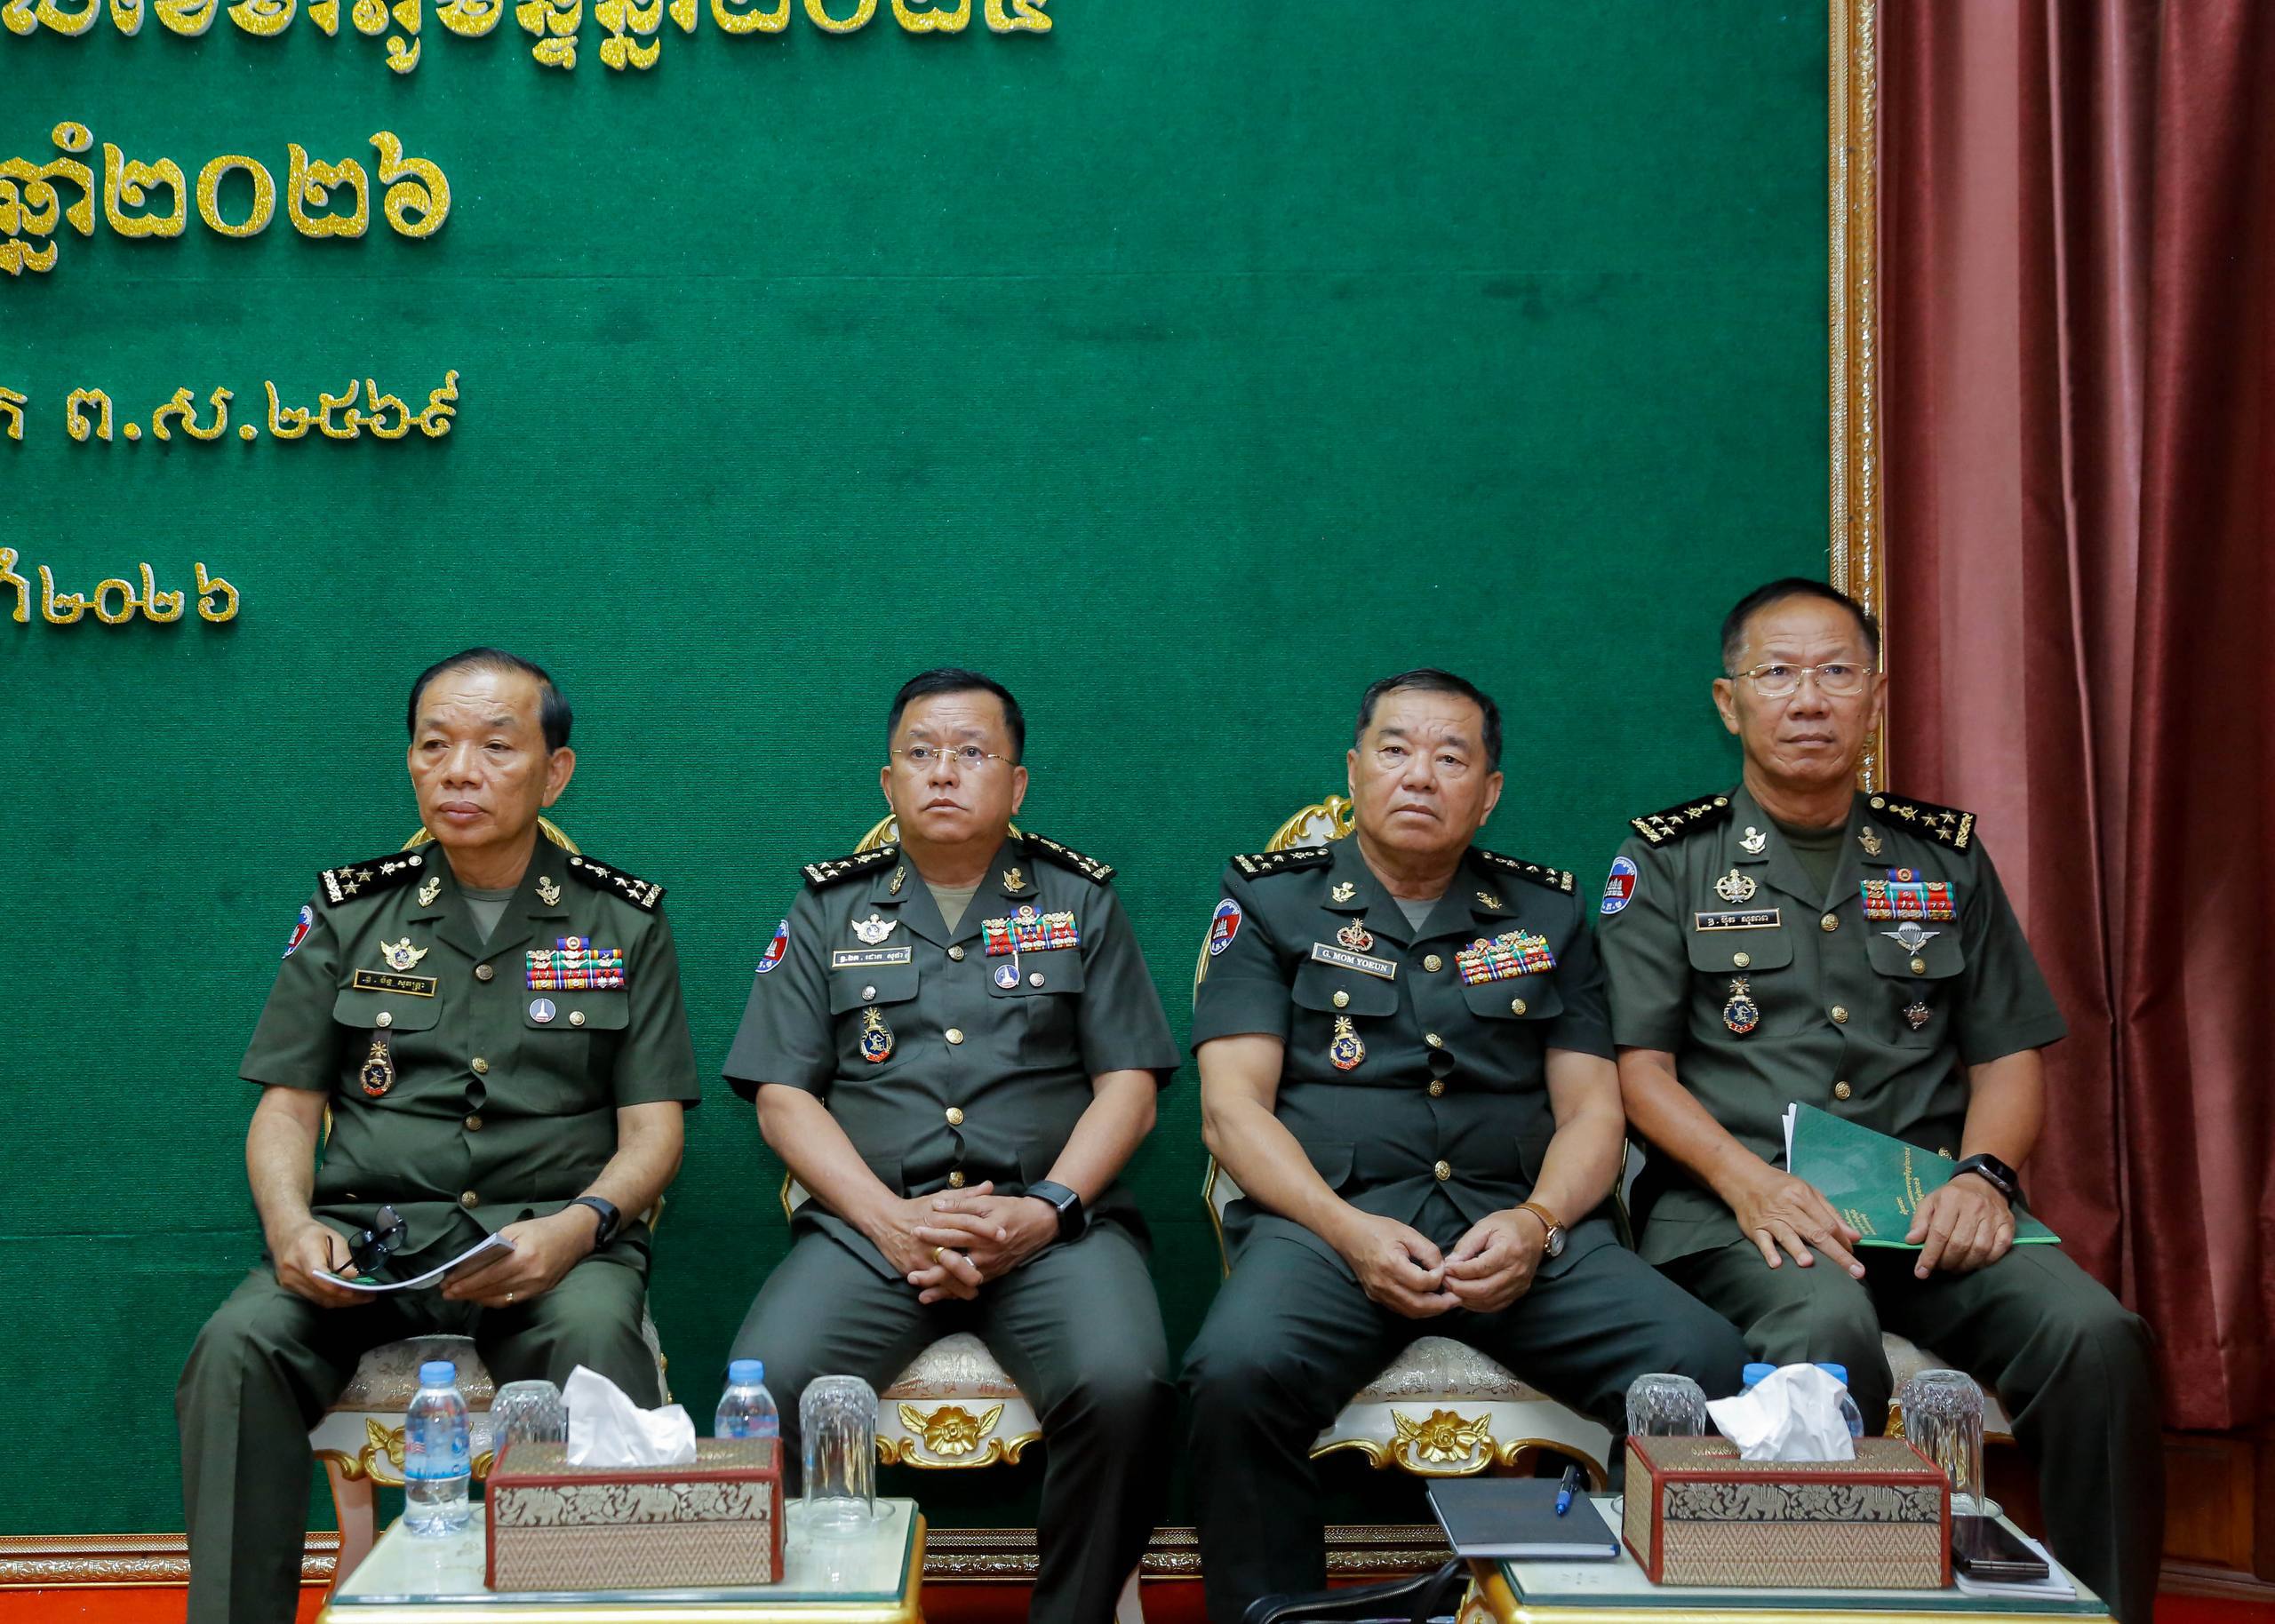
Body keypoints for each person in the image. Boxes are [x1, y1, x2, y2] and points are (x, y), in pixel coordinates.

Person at [1598, 578, 2162, 1623]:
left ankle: (2113, 1611)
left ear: (1875, 695)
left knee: (2096, 1336)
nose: (1807, 698)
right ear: (1729, 701)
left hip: (1927, 1209)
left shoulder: (1940, 855)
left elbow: (2006, 1057)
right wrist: (1748, 1183)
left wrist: (1984, 1178)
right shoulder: (1669, 860)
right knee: (1827, 1326)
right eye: (1777, 674)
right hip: (1742, 1213)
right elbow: (1638, 1069)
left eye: (1834, 672)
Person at [1181, 667, 1749, 1623]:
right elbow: (1229, 1112)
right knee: (1234, 1372)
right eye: (1395, 750)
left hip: (1517, 1230)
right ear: (1354, 770)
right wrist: (1347, 1230)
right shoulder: (1273, 902)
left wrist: (1538, 1223)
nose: (1419, 775)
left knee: (1703, 1359)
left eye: (1451, 757)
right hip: (1329, 1229)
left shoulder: (1546, 912)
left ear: (1488, 793)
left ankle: (1626, 1610)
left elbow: (1593, 1113)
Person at [177, 648, 699, 1624]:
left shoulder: (620, 920)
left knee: (595, 1336)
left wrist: (578, 1228)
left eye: (496, 747)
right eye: (434, 745)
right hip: (370, 1245)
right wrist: (291, 1227)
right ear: (411, 762)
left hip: (549, 1242)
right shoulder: (351, 911)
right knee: (237, 1347)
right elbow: (286, 1108)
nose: (460, 771)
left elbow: (653, 1131)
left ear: (554, 771)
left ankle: (604, 1607)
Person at [722, 667, 1178, 1624]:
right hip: (871, 1229)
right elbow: (781, 1097)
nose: (943, 772)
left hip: (1053, 1226)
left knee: (1125, 1383)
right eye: (921, 753)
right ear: (887, 781)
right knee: (769, 1382)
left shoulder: (1081, 901)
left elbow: (1130, 1089)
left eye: (972, 753)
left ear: (1016, 784)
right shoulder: (827, 908)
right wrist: (888, 1220)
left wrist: (1047, 1209)